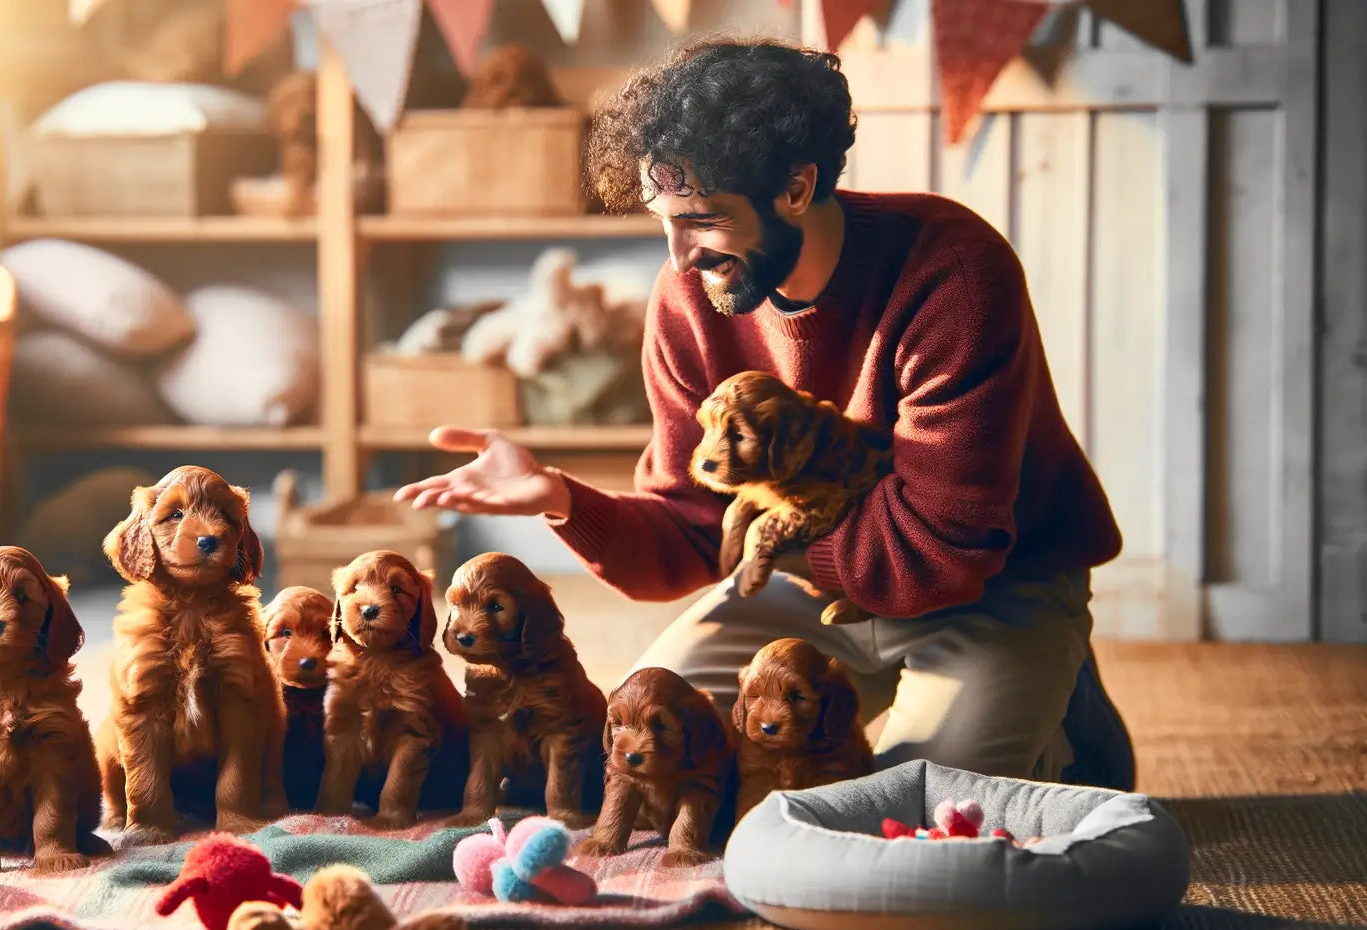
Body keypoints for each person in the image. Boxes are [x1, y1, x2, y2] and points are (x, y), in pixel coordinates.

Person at [391, 38, 1135, 789]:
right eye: (665, 222)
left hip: (988, 586)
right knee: (643, 758)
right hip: (805, 584)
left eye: (704, 220)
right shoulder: (689, 299)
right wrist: (557, 497)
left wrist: (759, 539)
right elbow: (692, 531)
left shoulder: (954, 274)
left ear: (796, 187)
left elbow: (943, 547)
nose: (679, 258)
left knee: (904, 808)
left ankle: (1060, 697)